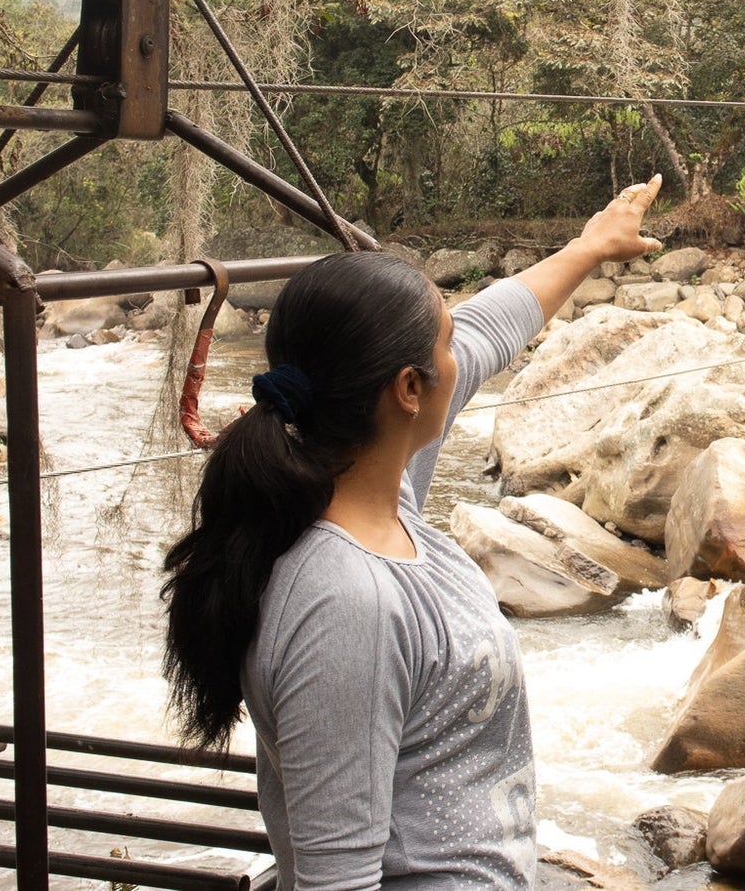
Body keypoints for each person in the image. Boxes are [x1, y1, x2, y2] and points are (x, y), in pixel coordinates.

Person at [160, 176, 664, 890]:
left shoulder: (376, 486)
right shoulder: (345, 601)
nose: (463, 357)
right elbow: (336, 881)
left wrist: (588, 249)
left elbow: (492, 329)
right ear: (407, 389)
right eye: (445, 342)